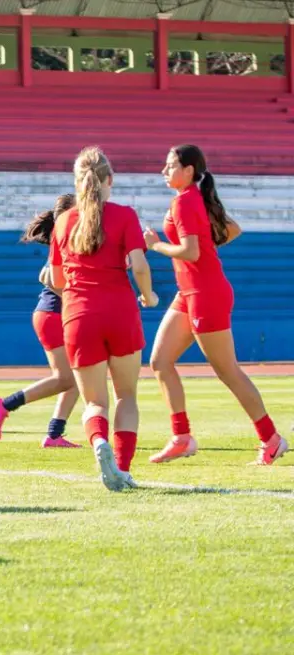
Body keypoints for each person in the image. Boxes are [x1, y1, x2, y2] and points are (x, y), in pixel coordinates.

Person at [143, 144, 287, 465]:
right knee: (159, 361)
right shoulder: (192, 198)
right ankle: (181, 438)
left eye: (170, 166)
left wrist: (156, 245)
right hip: (190, 292)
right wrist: (203, 246)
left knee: (228, 372)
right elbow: (231, 230)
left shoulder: (186, 202)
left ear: (189, 171)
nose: (163, 171)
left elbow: (191, 252)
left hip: (205, 294)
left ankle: (271, 439)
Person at [49, 147, 158, 492]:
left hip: (79, 316)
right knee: (126, 396)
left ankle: (99, 443)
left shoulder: (64, 221)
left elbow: (56, 280)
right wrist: (149, 295)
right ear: (110, 180)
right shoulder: (125, 215)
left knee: (95, 402)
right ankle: (122, 469)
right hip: (120, 311)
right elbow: (139, 265)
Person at [0, 195, 81, 448]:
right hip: (53, 314)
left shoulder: (65, 240)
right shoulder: (64, 241)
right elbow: (51, 278)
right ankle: (6, 404)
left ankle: (54, 434)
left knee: (77, 377)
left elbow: (45, 274)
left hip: (54, 314)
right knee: (65, 378)